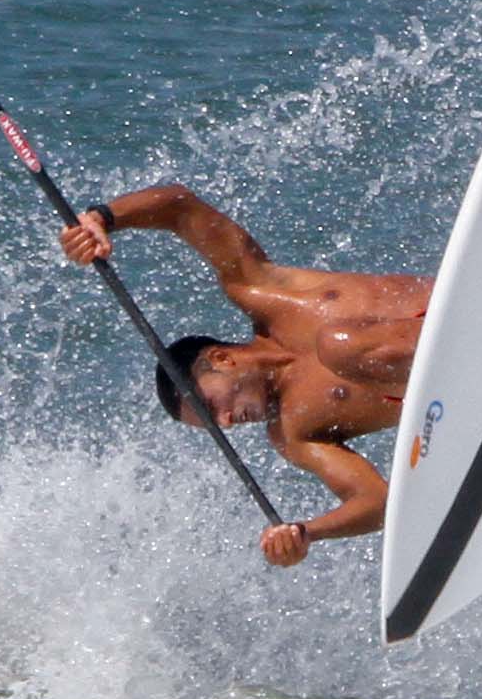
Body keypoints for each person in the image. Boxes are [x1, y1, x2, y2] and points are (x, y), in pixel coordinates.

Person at [59, 184, 425, 569]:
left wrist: (101, 219)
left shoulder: (261, 290)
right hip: (462, 387)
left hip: (471, 308)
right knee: (338, 346)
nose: (228, 421)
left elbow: (180, 207)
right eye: (216, 426)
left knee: (337, 344)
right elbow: (376, 503)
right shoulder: (295, 432)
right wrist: (306, 532)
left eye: (213, 405)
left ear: (220, 359)